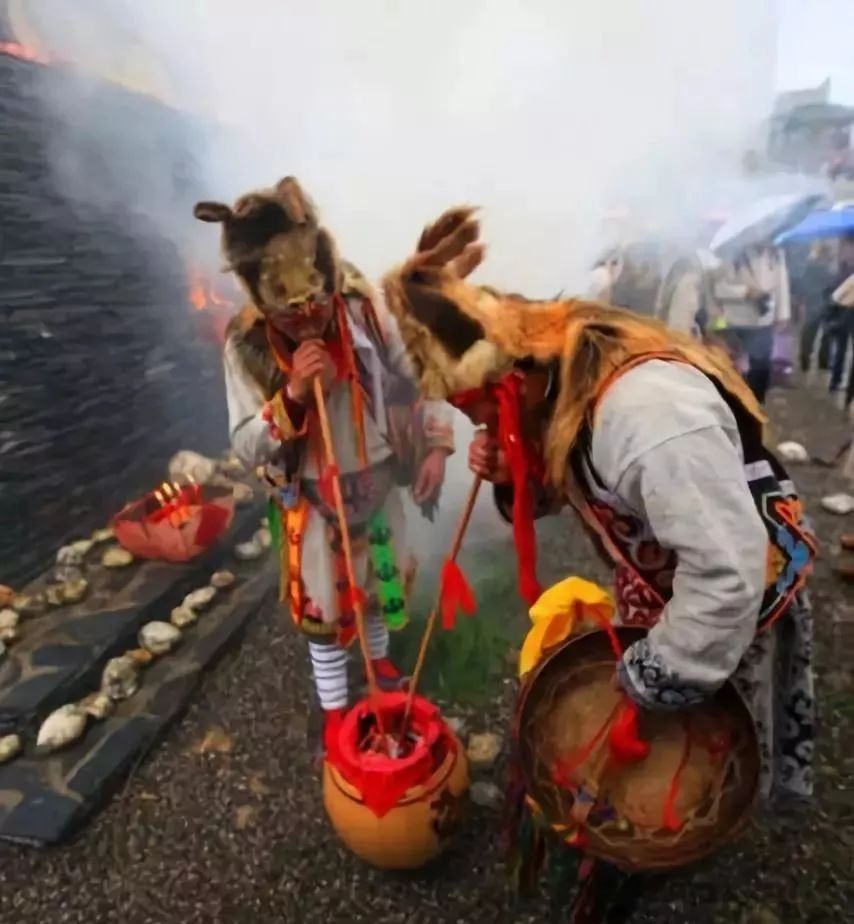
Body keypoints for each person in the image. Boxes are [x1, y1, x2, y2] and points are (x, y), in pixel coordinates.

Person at [381, 206, 815, 805]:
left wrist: (656, 676)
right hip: (663, 571)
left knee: (704, 757)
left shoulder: (646, 417)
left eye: (480, 411)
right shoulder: (560, 366)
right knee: (657, 747)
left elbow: (726, 574)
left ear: (514, 381)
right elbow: (591, 478)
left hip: (736, 590)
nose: (477, 427)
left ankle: (691, 820)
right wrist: (519, 468)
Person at [194, 177, 455, 751]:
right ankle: (336, 707)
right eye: (289, 314)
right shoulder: (246, 344)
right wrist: (290, 395)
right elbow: (244, 442)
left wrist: (435, 444)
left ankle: (381, 667)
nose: (307, 318)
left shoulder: (362, 309)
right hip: (313, 500)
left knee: (381, 584)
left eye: (315, 304)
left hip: (379, 479)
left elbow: (419, 373)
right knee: (325, 606)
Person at [713, 244, 791, 403]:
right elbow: (719, 289)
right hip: (736, 320)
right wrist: (746, 292)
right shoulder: (731, 251)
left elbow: (782, 284)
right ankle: (733, 403)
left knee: (762, 368)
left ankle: (756, 406)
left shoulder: (775, 251)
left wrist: (782, 314)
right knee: (732, 367)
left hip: (764, 318)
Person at [655, 248, 722, 339]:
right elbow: (681, 320)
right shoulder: (690, 280)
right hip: (679, 335)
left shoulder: (685, 272)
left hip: (673, 327)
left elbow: (663, 303)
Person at [793, 240, 836, 374]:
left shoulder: (810, 266)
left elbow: (803, 285)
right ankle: (823, 361)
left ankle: (805, 359)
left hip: (813, 304)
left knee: (809, 334)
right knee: (825, 335)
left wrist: (802, 299)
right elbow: (830, 285)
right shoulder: (824, 269)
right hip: (823, 305)